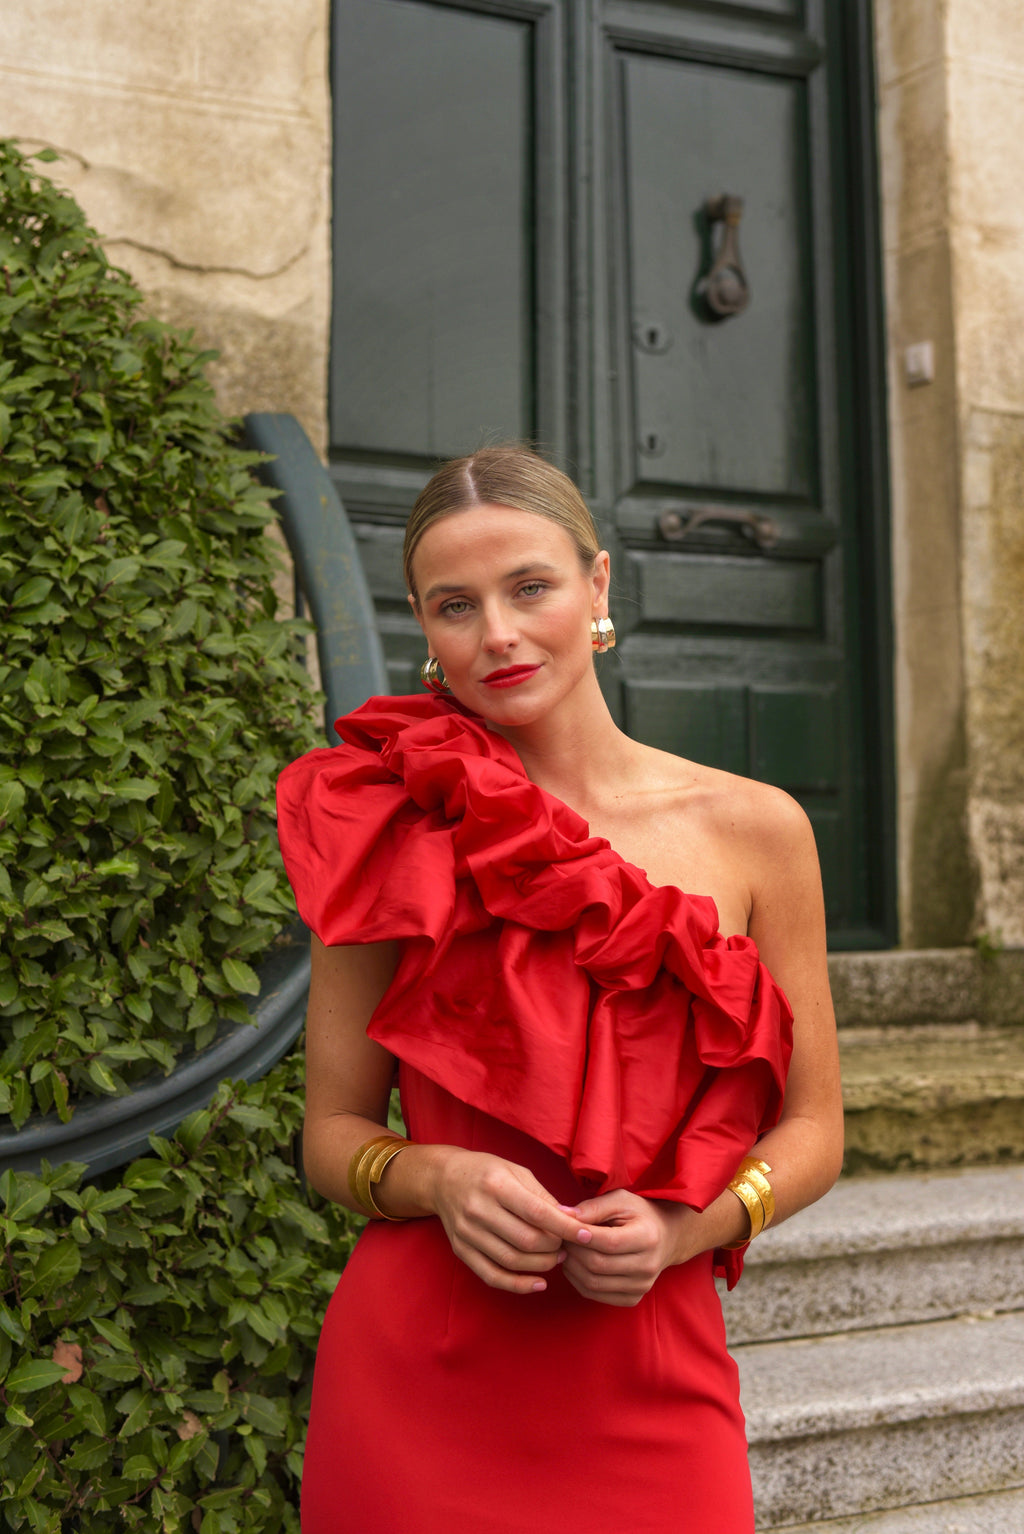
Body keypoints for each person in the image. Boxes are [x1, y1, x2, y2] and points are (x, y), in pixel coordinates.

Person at [276, 446, 844, 1534]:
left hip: (651, 1364)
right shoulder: (385, 819)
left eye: (528, 587)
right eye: (455, 605)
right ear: (424, 632)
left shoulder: (757, 830)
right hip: (420, 1374)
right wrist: (432, 1174)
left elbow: (814, 1125)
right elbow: (332, 1133)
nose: (496, 632)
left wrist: (693, 1226)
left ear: (596, 588)